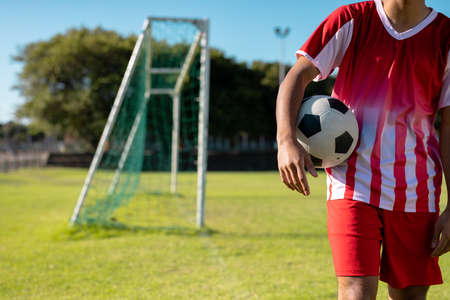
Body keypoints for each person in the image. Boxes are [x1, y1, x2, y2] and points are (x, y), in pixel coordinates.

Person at [276, 0, 450, 299]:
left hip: (415, 190)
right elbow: (297, 76)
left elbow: (448, 126)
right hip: (352, 183)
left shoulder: (445, 35)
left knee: (410, 295)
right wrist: (286, 140)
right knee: (356, 291)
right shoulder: (352, 19)